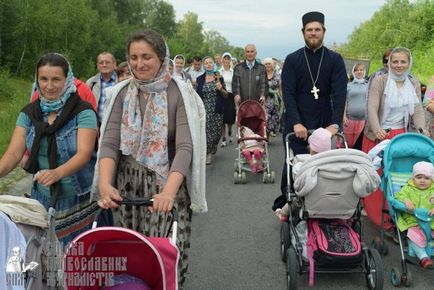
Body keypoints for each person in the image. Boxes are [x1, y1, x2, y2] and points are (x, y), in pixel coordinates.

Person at [94, 29, 207, 286]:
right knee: (131, 260)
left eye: (146, 56)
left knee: (162, 259)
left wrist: (168, 193)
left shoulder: (179, 93)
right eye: (133, 57)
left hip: (165, 187)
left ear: (161, 58)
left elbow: (185, 148)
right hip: (128, 188)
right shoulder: (122, 93)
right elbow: (109, 143)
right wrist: (104, 184)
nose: (139, 64)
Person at [0, 53, 100, 246]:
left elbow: (84, 153)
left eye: (56, 79)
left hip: (78, 199)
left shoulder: (83, 111)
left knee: (76, 260)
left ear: (68, 79)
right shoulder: (29, 113)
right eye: (43, 79)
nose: (49, 86)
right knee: (43, 261)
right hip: (42, 197)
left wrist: (57, 173)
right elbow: (13, 154)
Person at [273, 11, 347, 211]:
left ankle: (322, 207)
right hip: (297, 121)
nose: (313, 33)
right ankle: (292, 204)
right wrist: (296, 122)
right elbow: (288, 93)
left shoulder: (335, 59)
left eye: (317, 30)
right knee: (295, 165)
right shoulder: (293, 59)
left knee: (323, 168)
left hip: (324, 121)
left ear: (324, 31)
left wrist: (335, 124)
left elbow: (340, 94)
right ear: (303, 32)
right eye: (309, 30)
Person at [362, 47, 428, 230]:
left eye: (403, 62)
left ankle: (397, 217)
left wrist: (422, 129)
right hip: (379, 135)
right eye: (395, 61)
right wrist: (377, 129)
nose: (399, 65)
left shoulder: (413, 82)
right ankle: (379, 220)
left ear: (409, 63)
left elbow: (417, 109)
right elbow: (372, 108)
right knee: (377, 179)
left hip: (401, 136)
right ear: (389, 63)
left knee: (397, 179)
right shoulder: (380, 80)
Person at [275, 128, 332, 221]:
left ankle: (283, 214)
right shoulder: (334, 167)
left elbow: (298, 183)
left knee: (295, 199)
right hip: (332, 199)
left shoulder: (302, 166)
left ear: (310, 148)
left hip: (310, 201)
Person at [394, 161, 434, 268]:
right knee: (414, 236)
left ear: (432, 179)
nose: (422, 180)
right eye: (418, 177)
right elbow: (398, 196)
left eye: (426, 178)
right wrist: (406, 200)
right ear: (413, 178)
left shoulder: (433, 190)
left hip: (431, 222)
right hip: (413, 221)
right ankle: (423, 257)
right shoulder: (408, 188)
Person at [196, 56, 228, 164]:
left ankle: (213, 147)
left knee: (216, 133)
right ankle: (208, 153)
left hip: (216, 109)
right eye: (206, 63)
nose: (208, 64)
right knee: (205, 132)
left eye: (210, 63)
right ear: (203, 65)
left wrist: (220, 89)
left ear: (213, 64)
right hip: (204, 110)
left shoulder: (219, 77)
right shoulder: (199, 79)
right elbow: (197, 95)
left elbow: (226, 95)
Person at [86, 51, 118, 121]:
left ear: (114, 64)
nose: (104, 65)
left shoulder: (121, 82)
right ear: (97, 65)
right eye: (101, 63)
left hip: (116, 125)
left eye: (107, 62)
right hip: (96, 125)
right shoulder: (90, 83)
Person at [344, 63, 368, 149]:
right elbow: (345, 101)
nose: (359, 72)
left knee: (357, 143)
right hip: (349, 118)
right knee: (347, 142)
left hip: (363, 119)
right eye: (356, 70)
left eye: (361, 70)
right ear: (353, 72)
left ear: (364, 72)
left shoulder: (368, 85)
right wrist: (343, 116)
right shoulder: (348, 86)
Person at [219, 52, 236, 147]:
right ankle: (223, 138)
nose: (226, 61)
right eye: (225, 59)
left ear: (230, 60)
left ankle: (229, 130)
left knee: (230, 117)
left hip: (231, 96)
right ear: (222, 60)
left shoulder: (233, 72)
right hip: (221, 95)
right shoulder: (219, 72)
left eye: (228, 59)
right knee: (222, 118)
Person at [263, 57, 282, 137]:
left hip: (275, 100)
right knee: (266, 118)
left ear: (272, 65)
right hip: (265, 100)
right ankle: (266, 137)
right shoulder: (262, 75)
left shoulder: (277, 74)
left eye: (269, 63)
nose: (267, 65)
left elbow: (280, 87)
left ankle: (269, 135)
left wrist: (282, 99)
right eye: (266, 64)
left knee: (274, 119)